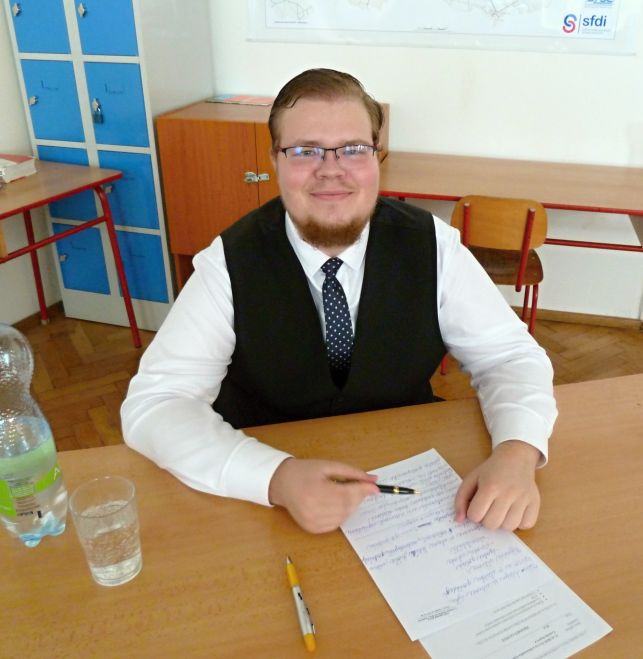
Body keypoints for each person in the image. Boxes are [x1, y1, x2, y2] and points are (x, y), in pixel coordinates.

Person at [121, 68, 557, 534]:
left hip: (405, 483)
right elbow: (158, 402)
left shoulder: (434, 246)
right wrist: (274, 477)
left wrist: (517, 453)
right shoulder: (228, 261)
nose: (331, 169)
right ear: (274, 161)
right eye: (305, 151)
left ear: (377, 156)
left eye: (353, 149)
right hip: (264, 494)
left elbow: (508, 356)